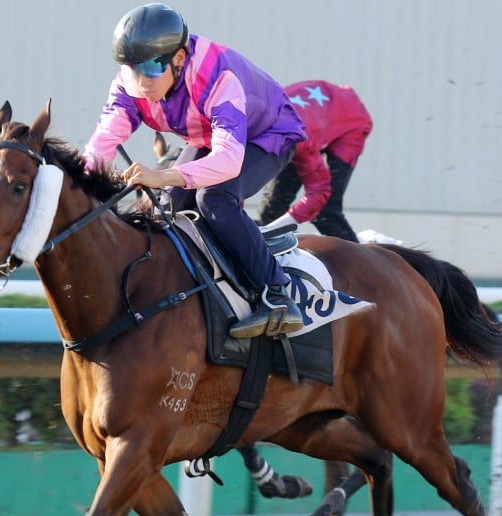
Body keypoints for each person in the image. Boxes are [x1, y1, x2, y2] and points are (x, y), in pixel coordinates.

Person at [82, 3, 307, 338]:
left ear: (179, 57)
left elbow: (228, 161)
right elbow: (103, 143)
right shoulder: (129, 86)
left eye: (151, 67)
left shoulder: (217, 77)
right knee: (168, 206)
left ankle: (276, 295)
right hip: (210, 135)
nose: (141, 82)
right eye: (132, 69)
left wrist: (160, 176)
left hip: (266, 134)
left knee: (214, 198)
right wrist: (84, 184)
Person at [256, 81, 373, 243]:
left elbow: (319, 193)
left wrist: (269, 230)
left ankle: (358, 258)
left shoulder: (302, 143)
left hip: (349, 120)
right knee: (272, 207)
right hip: (308, 119)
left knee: (325, 211)